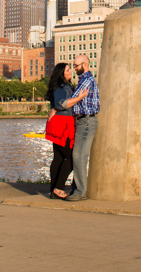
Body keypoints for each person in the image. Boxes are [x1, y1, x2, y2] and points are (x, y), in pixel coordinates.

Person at [44, 62, 89, 199]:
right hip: (62, 124)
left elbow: (57, 105)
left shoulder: (66, 86)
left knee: (58, 157)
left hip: (60, 122)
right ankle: (58, 188)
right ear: (61, 73)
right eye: (68, 70)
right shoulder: (61, 87)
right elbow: (61, 103)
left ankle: (54, 190)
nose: (71, 72)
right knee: (71, 157)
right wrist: (79, 98)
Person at [65, 55, 100, 201]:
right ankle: (77, 189)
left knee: (79, 156)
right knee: (78, 155)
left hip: (85, 121)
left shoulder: (87, 81)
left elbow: (73, 100)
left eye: (76, 66)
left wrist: (61, 105)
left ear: (85, 65)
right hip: (82, 121)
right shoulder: (83, 81)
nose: (74, 68)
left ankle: (80, 191)